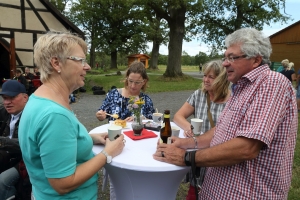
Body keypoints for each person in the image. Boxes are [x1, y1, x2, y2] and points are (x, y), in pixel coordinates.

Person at [153, 27, 297, 199]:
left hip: (246, 194)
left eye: (232, 57)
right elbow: (222, 129)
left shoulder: (271, 83)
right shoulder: (241, 88)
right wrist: (187, 142)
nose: (225, 63)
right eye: (225, 57)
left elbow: (246, 148)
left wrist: (185, 157)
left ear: (256, 60)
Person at [19, 31, 125, 199]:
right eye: (80, 60)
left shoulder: (40, 98)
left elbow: (54, 146)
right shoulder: (54, 115)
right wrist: (108, 153)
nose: (88, 66)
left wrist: (91, 138)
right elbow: (63, 183)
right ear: (56, 63)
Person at [173, 60, 230, 200]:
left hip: (219, 154)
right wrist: (188, 127)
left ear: (222, 79)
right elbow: (178, 116)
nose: (205, 80)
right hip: (197, 151)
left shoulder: (232, 100)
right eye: (205, 75)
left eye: (211, 77)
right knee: (195, 191)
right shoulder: (199, 95)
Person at [0, 80, 30, 200]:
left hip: (24, 161)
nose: (7, 102)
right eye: (4, 98)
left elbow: (29, 145)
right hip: (6, 156)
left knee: (3, 180)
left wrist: (2, 142)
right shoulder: (3, 111)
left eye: (11, 97)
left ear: (25, 97)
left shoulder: (32, 115)